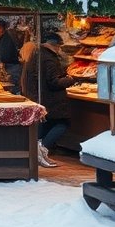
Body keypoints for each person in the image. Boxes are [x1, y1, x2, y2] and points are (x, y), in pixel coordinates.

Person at [22, 31, 76, 168]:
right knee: (62, 123)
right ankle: (42, 150)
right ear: (55, 46)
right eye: (59, 47)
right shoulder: (49, 59)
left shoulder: (36, 55)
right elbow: (54, 82)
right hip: (51, 99)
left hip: (39, 97)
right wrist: (70, 80)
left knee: (44, 124)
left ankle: (35, 151)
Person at [0, 19, 22, 93]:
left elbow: (5, 55)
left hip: (11, 68)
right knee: (9, 89)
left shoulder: (7, 38)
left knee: (12, 89)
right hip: (8, 67)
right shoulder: (1, 38)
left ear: (1, 28)